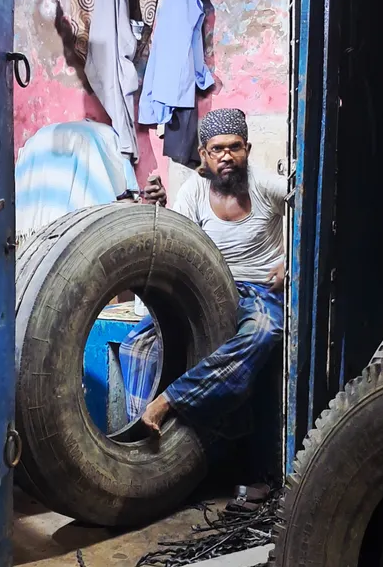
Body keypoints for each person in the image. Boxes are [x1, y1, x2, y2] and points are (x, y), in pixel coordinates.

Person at [120, 108, 286, 483]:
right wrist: (157, 207)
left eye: (234, 148)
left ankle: (170, 402)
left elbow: (311, 206)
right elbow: (176, 240)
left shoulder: (265, 185)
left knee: (263, 333)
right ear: (205, 155)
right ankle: (138, 445)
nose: (227, 156)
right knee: (138, 344)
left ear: (247, 148)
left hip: (260, 291)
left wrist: (293, 260)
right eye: (217, 150)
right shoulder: (194, 192)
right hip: (209, 291)